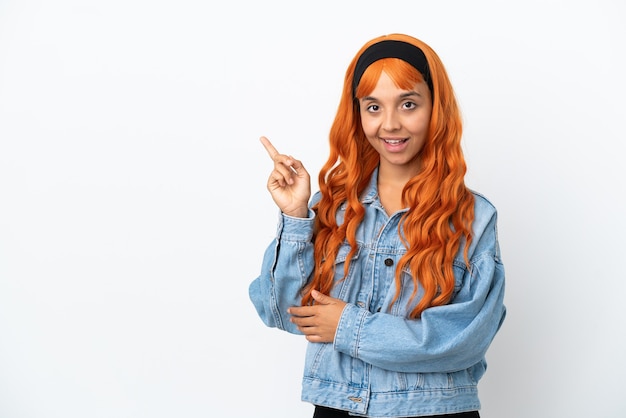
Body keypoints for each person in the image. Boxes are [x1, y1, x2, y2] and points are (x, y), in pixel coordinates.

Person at [248, 33, 506, 418]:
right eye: (373, 107)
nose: (390, 124)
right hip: (338, 407)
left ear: (436, 108)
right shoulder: (330, 209)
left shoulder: (472, 218)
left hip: (436, 411)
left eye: (408, 104)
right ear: (358, 114)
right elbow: (281, 312)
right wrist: (296, 215)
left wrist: (349, 327)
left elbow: (464, 339)